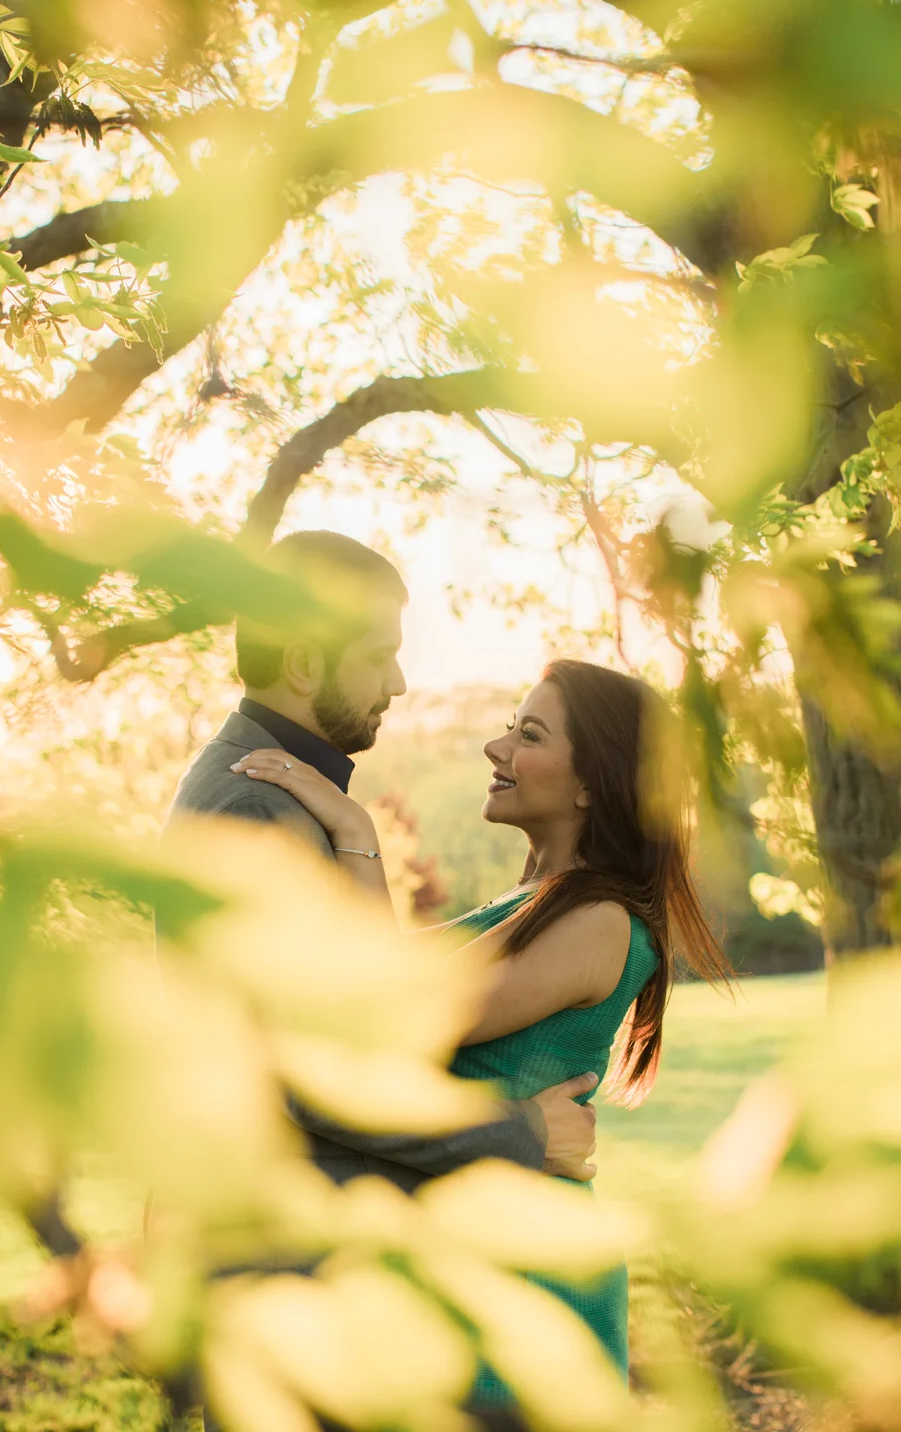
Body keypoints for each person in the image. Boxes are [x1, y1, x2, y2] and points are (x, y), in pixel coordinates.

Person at [236, 655, 732, 1393]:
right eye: (508, 727)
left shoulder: (600, 922)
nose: (496, 749)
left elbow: (397, 1016)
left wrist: (353, 829)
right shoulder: (533, 901)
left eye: (528, 735)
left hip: (532, 1285)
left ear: (593, 784)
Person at [167, 530, 600, 1194]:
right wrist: (521, 1134)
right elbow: (307, 1071)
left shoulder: (281, 796)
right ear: (305, 664)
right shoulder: (256, 810)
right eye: (378, 657)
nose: (396, 684)